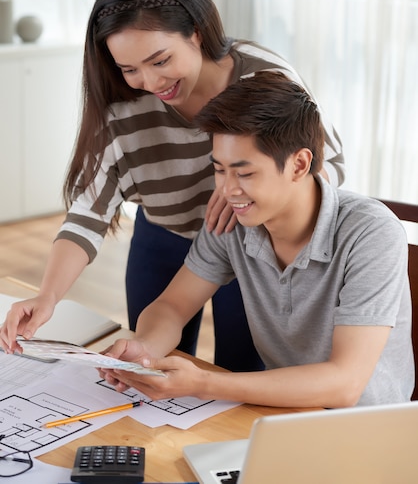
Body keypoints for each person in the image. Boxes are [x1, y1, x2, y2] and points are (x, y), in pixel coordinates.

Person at [0, 0, 344, 372]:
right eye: (129, 69)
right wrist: (48, 296)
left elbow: (326, 166)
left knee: (243, 371)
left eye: (160, 60)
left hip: (253, 244)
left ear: (196, 31)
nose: (149, 81)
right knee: (149, 356)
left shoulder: (263, 80)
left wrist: (242, 193)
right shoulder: (122, 100)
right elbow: (90, 211)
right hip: (162, 236)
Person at [97, 71, 413, 407]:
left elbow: (345, 384)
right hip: (283, 413)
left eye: (245, 173)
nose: (227, 190)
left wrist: (204, 383)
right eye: (219, 169)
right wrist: (144, 350)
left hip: (367, 432)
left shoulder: (371, 233)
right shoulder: (234, 219)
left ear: (299, 164)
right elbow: (173, 306)